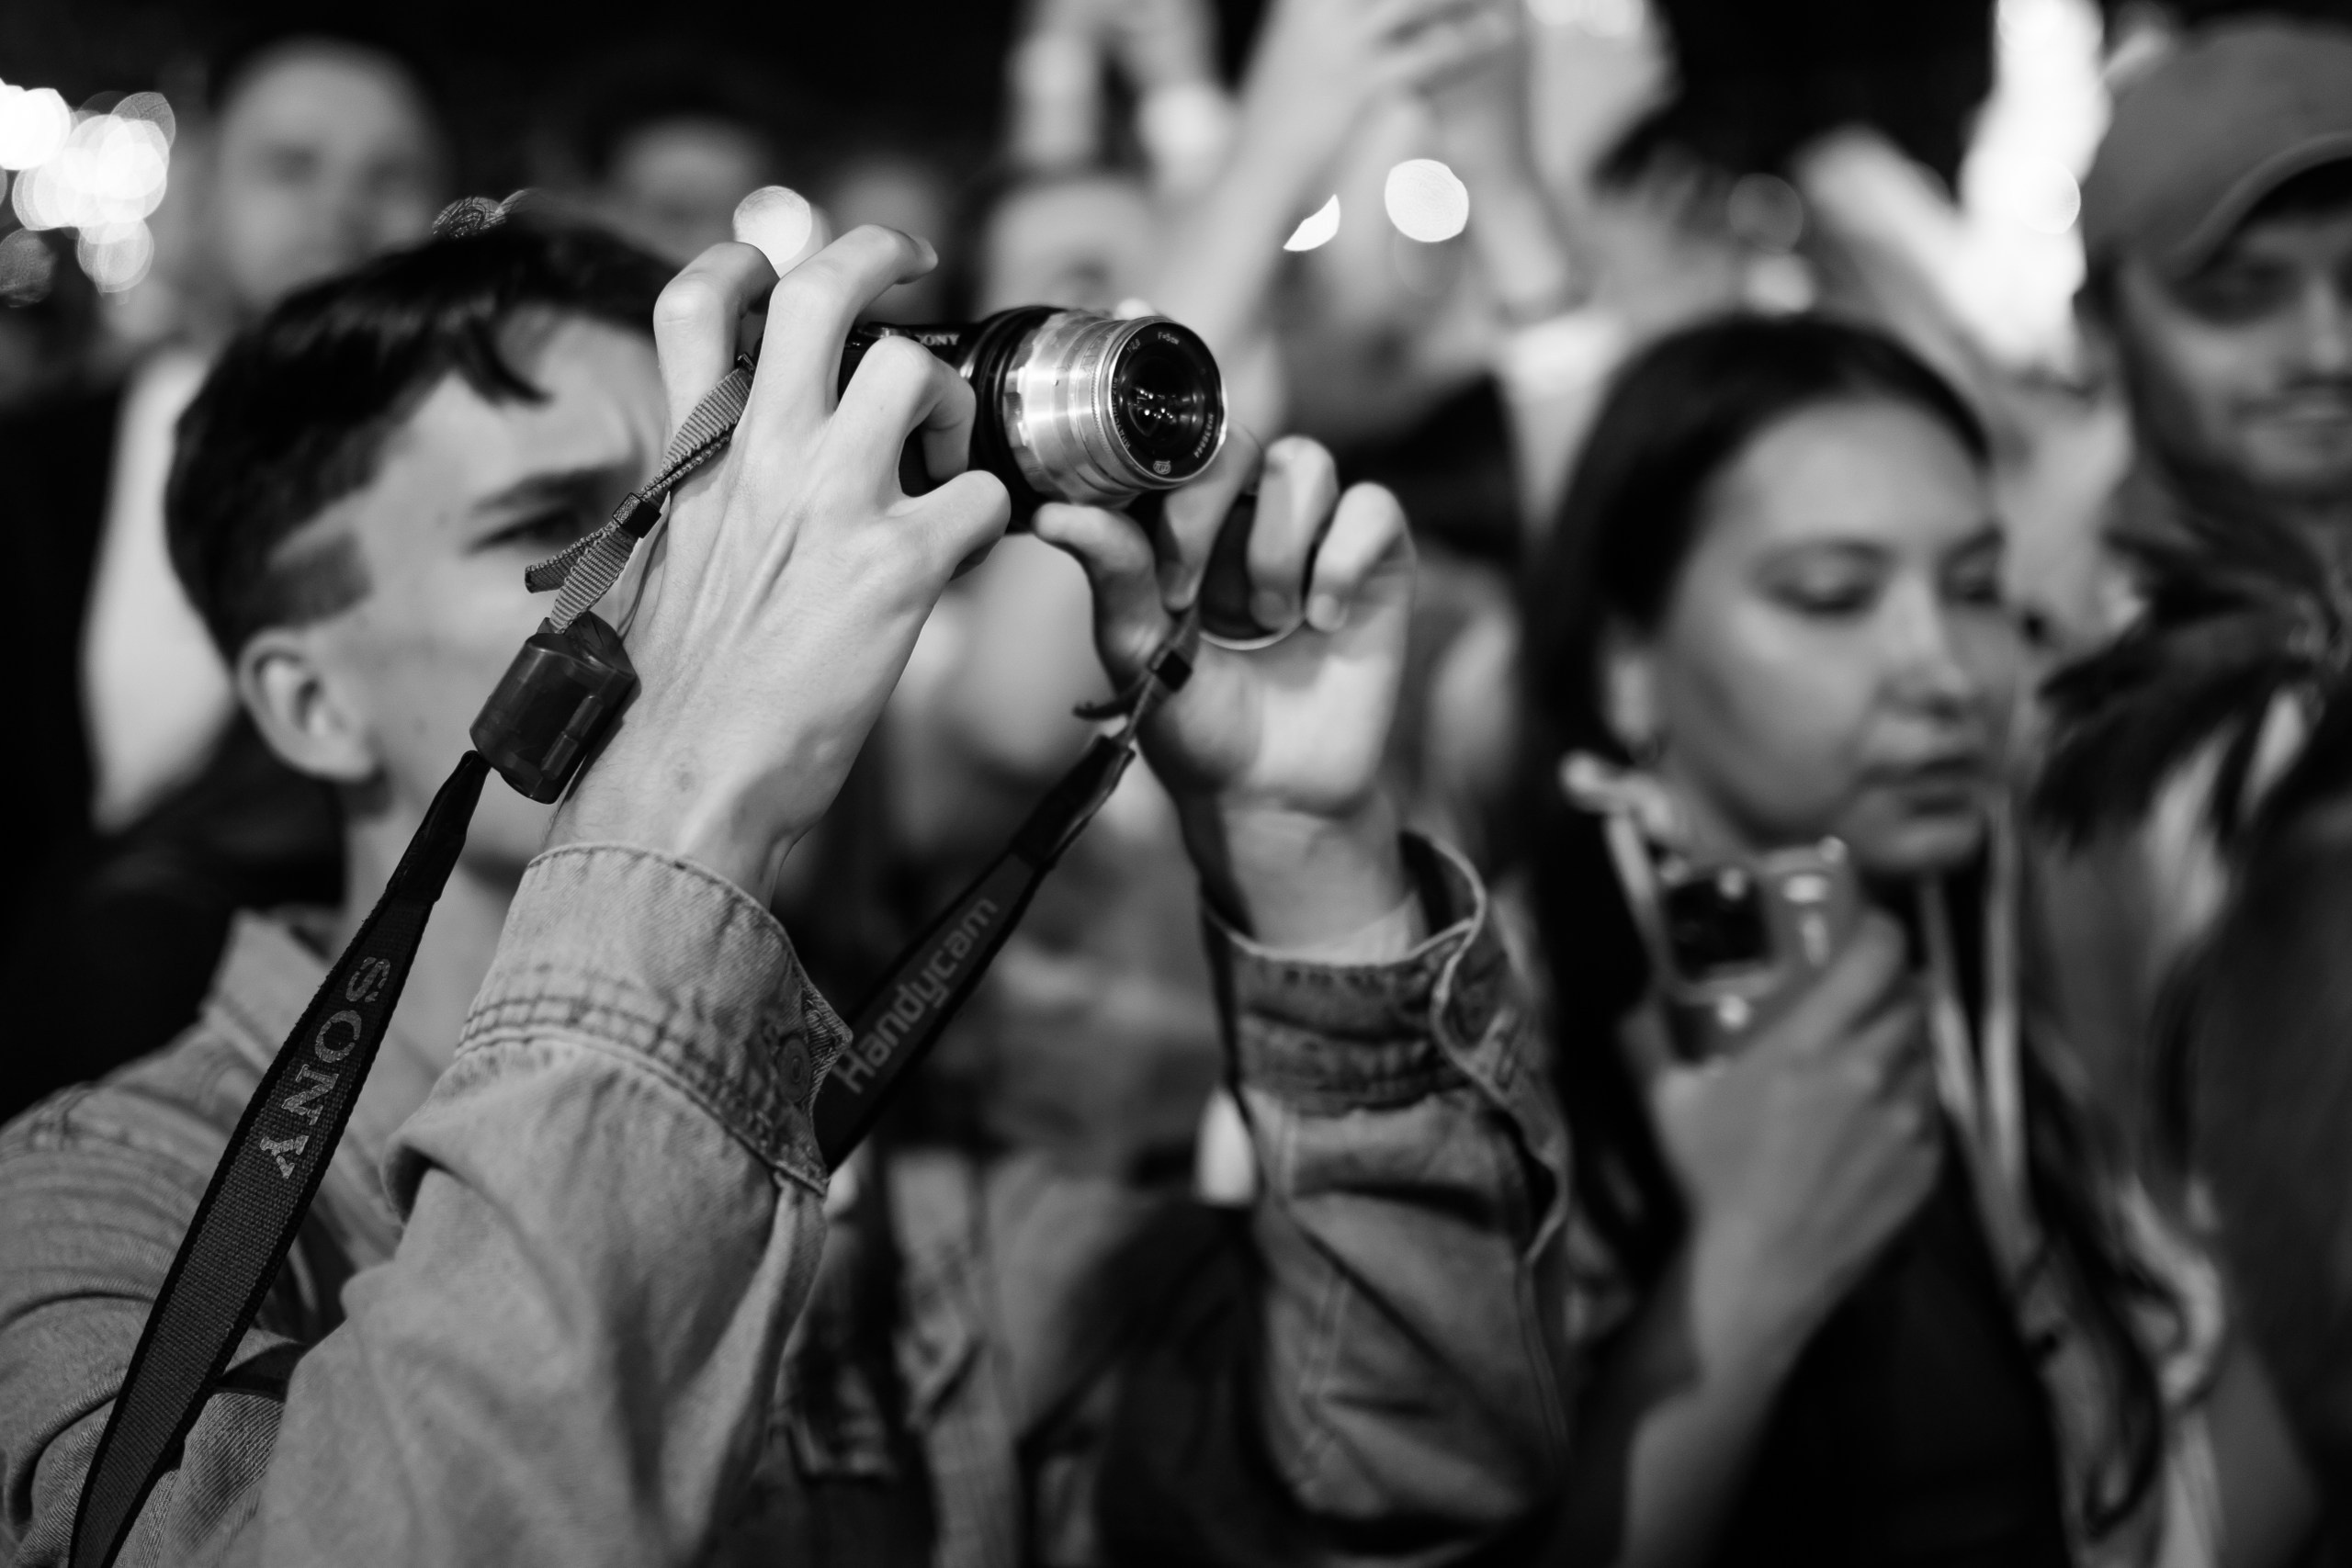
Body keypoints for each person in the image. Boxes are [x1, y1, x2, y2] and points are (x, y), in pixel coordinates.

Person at [0, 215, 1564, 1565]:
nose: (698, 574)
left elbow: (1402, 1494)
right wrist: (684, 792)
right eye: (566, 528)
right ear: (306, 703)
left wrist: (1309, 861)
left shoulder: (900, 1212)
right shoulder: (83, 1217)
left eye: (724, 499)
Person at [1512, 315, 2314, 1565]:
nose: (1942, 666)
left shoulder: (2001, 972)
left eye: (1979, 585)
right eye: (1831, 595)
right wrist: (1748, 1273)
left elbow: (2152, 1531)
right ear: (1628, 663)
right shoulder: (1472, 1046)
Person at [0, 30, 447, 1119]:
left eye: (388, 177)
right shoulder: (32, 465)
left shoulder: (480, 517)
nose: (339, 210)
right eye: (290, 166)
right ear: (199, 192)